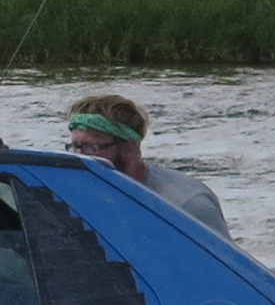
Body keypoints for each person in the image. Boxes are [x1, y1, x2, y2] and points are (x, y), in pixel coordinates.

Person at [63, 91, 229, 235]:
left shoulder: (187, 204)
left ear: (129, 148)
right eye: (75, 146)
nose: (79, 157)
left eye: (92, 147)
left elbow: (223, 260)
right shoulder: (77, 199)